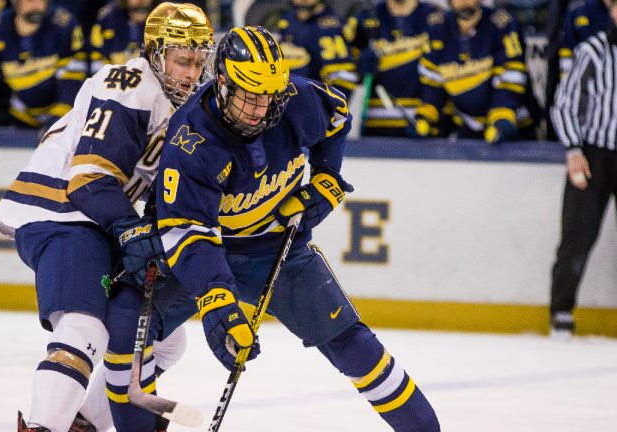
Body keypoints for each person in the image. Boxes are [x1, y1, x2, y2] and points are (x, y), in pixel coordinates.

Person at [104, 25, 440, 432]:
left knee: (353, 343)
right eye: (250, 94)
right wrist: (217, 303)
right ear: (223, 81)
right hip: (202, 251)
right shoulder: (191, 139)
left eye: (269, 94)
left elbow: (337, 118)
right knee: (125, 324)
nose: (262, 109)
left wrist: (327, 180)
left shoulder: (296, 101)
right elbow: (187, 233)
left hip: (277, 249)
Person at [0, 3, 215, 431]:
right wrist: (129, 228)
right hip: (61, 211)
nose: (191, 72)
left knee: (165, 342)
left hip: (99, 220)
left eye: (199, 62)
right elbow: (89, 179)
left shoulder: (183, 106)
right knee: (82, 329)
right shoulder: (128, 84)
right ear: (155, 53)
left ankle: (83, 422)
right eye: (183, 59)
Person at [548, 1, 617, 340]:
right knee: (577, 236)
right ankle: (561, 309)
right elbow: (564, 103)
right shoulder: (592, 51)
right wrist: (574, 150)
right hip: (593, 155)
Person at [0, 0, 86, 128]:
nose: (36, 5)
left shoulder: (64, 25)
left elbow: (73, 78)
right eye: (30, 0)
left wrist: (62, 114)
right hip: (21, 116)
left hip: (65, 117)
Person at [413, 0, 535, 142]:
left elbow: (512, 75)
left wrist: (502, 117)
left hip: (515, 129)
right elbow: (432, 82)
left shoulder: (503, 23)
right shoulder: (437, 27)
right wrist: (426, 115)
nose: (464, 1)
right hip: (468, 131)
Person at [345, 0, 440, 136]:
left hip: (422, 123)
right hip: (375, 123)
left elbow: (445, 71)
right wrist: (358, 67)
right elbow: (340, 70)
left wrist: (429, 114)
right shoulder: (363, 17)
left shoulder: (436, 18)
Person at [273, 0, 357, 97]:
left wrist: (323, 107)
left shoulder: (331, 27)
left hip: (309, 101)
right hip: (277, 102)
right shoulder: (280, 19)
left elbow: (344, 78)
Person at [89, 0, 157, 74]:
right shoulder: (109, 18)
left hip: (153, 80)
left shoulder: (167, 17)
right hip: (114, 79)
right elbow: (97, 60)